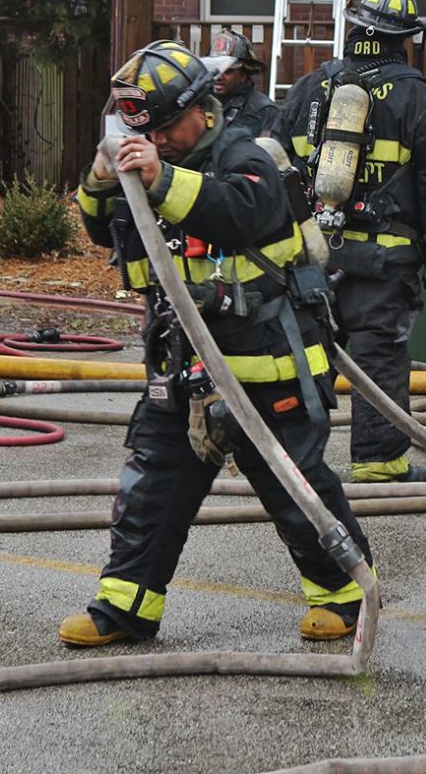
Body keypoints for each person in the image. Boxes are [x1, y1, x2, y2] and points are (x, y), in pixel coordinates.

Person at [60, 39, 375, 648]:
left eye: (167, 129)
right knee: (152, 487)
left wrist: (160, 176)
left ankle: (345, 595)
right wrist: (102, 179)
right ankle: (126, 606)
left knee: (293, 485)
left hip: (270, 363)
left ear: (201, 108)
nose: (158, 141)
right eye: (145, 133)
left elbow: (243, 212)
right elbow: (106, 227)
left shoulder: (252, 153)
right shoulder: (151, 157)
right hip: (184, 366)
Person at [278, 0, 426, 483]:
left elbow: (276, 166)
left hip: (314, 254)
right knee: (378, 356)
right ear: (404, 38)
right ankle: (379, 461)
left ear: (355, 29)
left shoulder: (308, 89)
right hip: (384, 259)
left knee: (305, 355)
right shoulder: (416, 98)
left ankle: (287, 460)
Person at [206, 28, 278, 138]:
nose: (219, 76)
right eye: (215, 69)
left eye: (227, 71)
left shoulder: (264, 111)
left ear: (243, 75)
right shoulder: (202, 104)